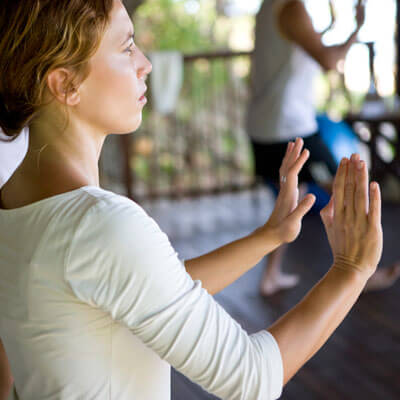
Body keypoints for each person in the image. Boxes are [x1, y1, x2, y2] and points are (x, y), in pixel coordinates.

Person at [0, 0, 383, 399]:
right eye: (127, 46)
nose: (145, 63)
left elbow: (146, 286)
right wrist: (351, 268)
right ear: (66, 84)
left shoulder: (13, 203)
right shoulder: (99, 224)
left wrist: (269, 236)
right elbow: (253, 378)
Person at [246, 0, 400, 295]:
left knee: (291, 199)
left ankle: (271, 275)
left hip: (266, 124)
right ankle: (362, 274)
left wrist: (333, 26)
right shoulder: (291, 7)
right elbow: (330, 61)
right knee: (346, 188)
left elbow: (305, 43)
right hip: (290, 127)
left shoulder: (269, 6)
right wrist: (356, 28)